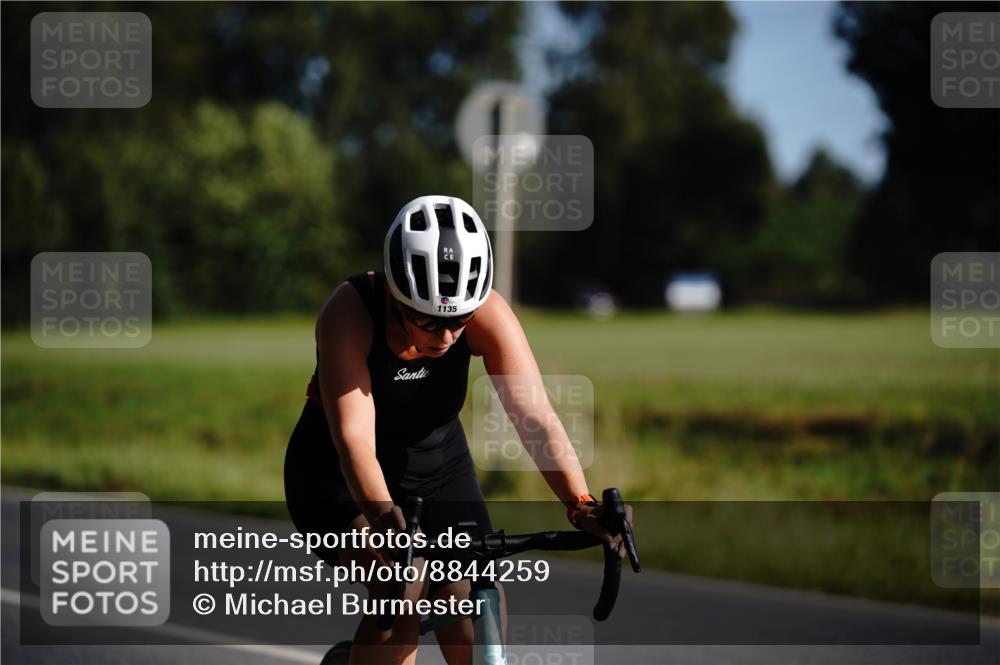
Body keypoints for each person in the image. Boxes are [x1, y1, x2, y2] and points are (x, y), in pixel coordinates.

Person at [284, 195, 632, 665]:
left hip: (436, 467)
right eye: (428, 320)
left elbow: (534, 417)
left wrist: (581, 503)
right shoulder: (348, 312)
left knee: (475, 607)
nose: (447, 338)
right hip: (336, 476)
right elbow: (355, 441)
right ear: (393, 294)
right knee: (402, 589)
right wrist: (387, 524)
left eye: (458, 321)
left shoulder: (486, 311)